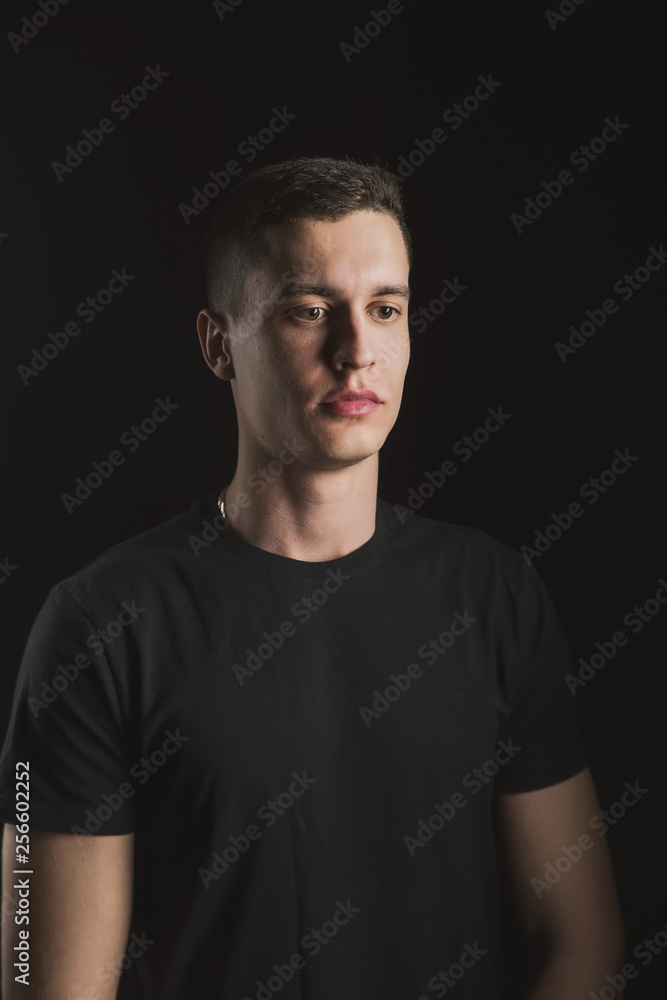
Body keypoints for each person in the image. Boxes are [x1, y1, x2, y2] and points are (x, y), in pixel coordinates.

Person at [0, 156, 625, 999]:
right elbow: (43, 980)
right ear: (220, 345)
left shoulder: (492, 595)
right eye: (308, 311)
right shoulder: (98, 626)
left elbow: (580, 945)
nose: (356, 350)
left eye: (385, 309)